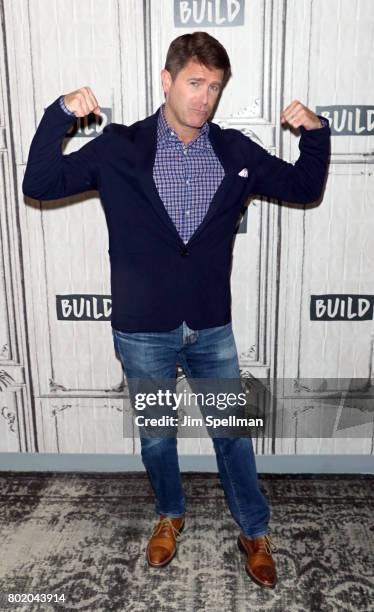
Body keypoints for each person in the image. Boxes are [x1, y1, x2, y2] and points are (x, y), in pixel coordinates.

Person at [22, 32, 330, 589]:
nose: (204, 98)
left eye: (214, 87)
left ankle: (254, 529)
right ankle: (170, 514)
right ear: (167, 81)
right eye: (194, 83)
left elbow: (304, 186)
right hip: (143, 328)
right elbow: (39, 181)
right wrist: (59, 114)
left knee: (232, 433)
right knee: (158, 435)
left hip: (211, 324)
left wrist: (315, 132)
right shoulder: (120, 146)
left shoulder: (235, 151)